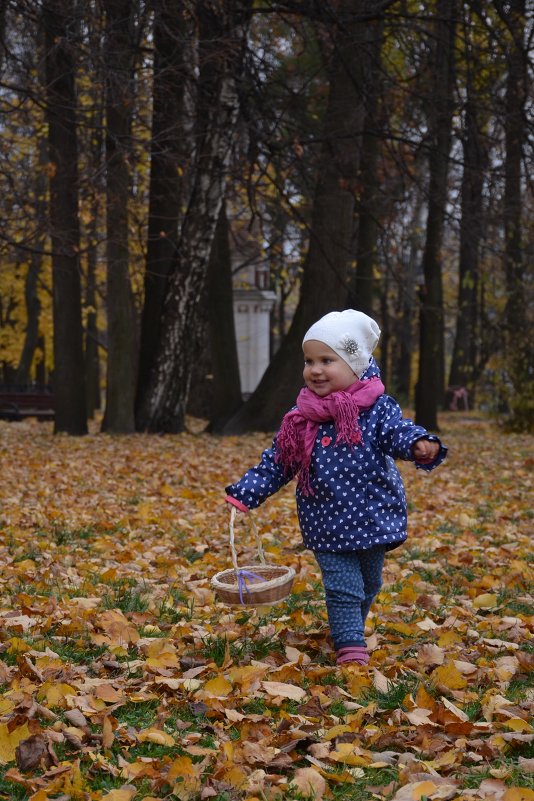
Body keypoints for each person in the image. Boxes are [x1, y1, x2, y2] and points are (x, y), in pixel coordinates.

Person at [224, 310, 447, 666]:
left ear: (355, 363)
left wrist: (418, 442)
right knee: (344, 586)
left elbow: (397, 432)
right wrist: (247, 493)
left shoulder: (376, 409)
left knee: (369, 584)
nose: (315, 369)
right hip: (325, 519)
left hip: (373, 514)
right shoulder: (301, 418)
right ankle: (350, 648)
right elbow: (279, 461)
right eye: (309, 360)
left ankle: (349, 631)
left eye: (327, 360)